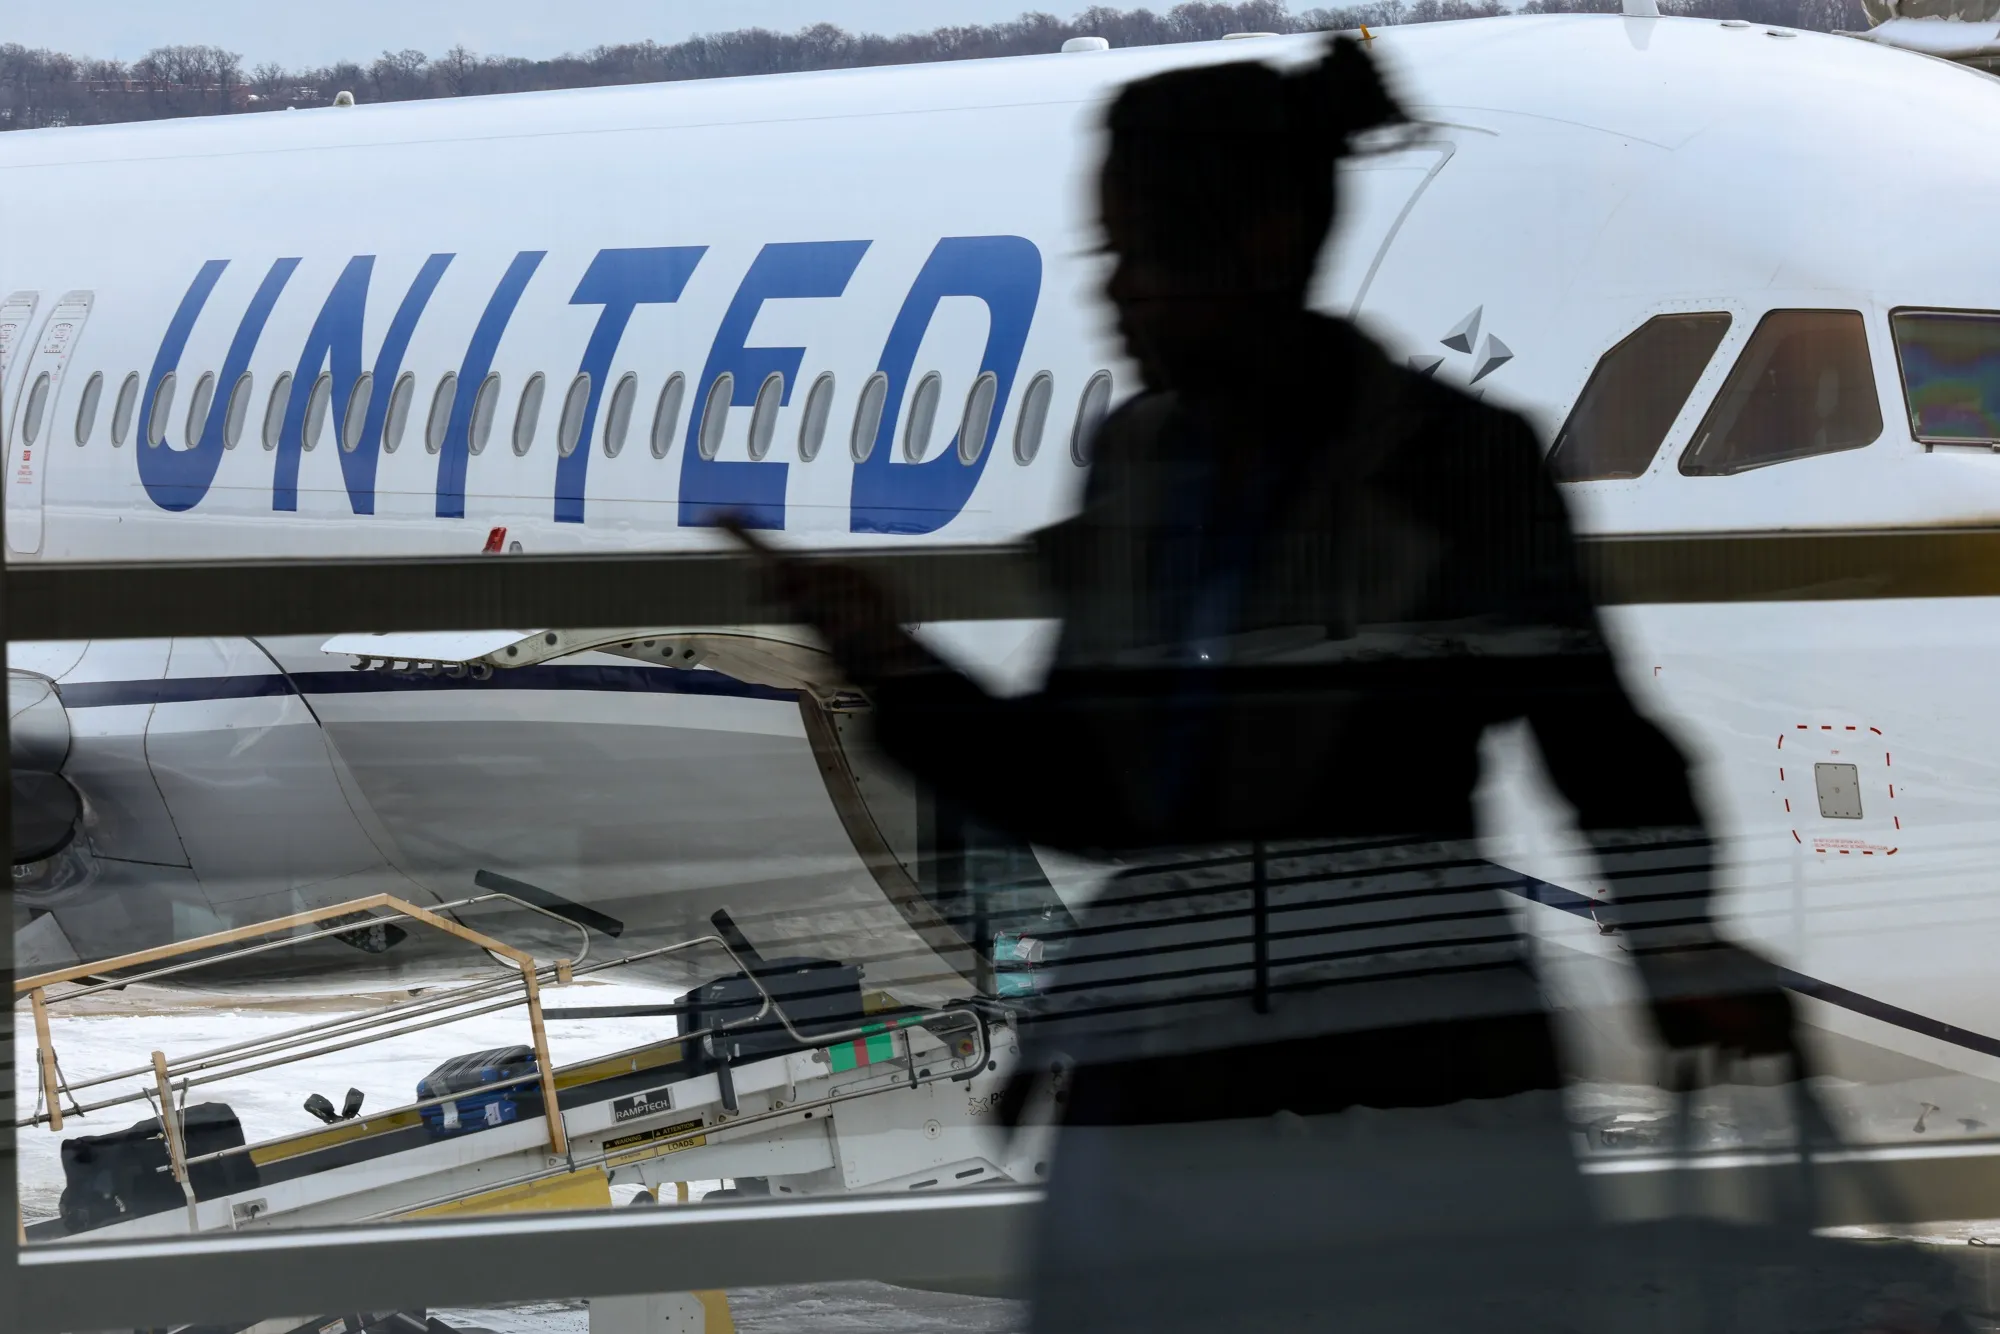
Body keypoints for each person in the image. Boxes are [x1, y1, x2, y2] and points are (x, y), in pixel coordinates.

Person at [738, 34, 1796, 1332]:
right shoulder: (1167, 461)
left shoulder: (1437, 463)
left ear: (1266, 246)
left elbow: (1596, 744)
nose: (1116, 295)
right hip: (1273, 1072)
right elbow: (1097, 792)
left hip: (1367, 1074)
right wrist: (884, 656)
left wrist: (1670, 929)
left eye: (1145, 255)